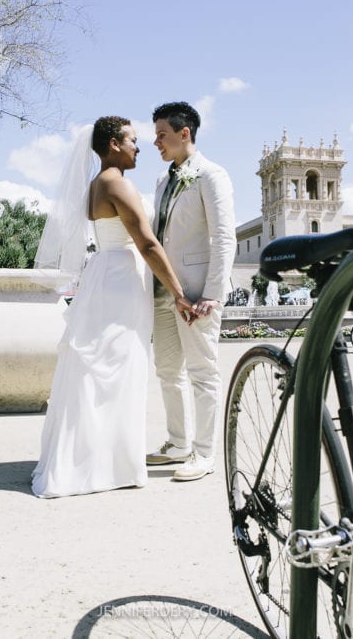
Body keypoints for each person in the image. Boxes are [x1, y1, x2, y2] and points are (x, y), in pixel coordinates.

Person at [31, 116, 196, 499]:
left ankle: (104, 459)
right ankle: (103, 465)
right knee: (113, 369)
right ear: (112, 145)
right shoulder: (113, 183)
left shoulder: (100, 182)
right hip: (119, 281)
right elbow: (148, 244)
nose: (139, 146)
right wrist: (178, 293)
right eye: (132, 140)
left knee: (109, 369)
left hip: (110, 275)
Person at [145, 101, 237, 482]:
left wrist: (213, 293)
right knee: (167, 370)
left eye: (162, 135)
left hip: (198, 294)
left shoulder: (212, 176)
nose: (156, 143)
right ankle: (177, 443)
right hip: (164, 292)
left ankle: (204, 453)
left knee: (202, 372)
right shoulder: (163, 181)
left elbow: (223, 236)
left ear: (186, 134)